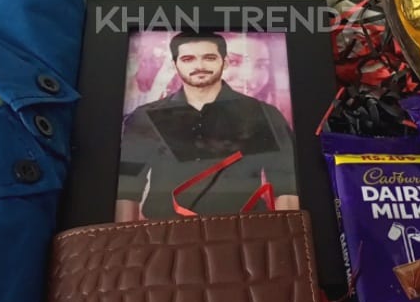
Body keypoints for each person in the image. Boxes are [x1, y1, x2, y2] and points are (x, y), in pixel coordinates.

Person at [115, 31, 298, 221]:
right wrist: (125, 237)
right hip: (165, 232)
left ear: (224, 62)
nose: (199, 66)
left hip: (243, 231)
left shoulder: (264, 114)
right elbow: (127, 188)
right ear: (174, 65)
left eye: (209, 58)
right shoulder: (145, 116)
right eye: (188, 59)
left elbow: (287, 187)